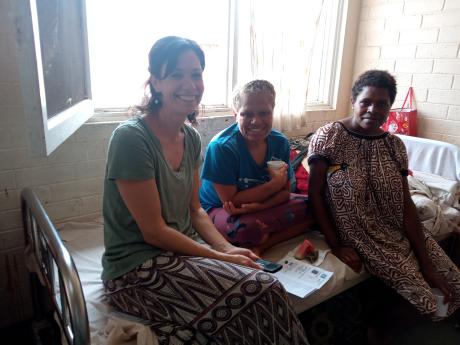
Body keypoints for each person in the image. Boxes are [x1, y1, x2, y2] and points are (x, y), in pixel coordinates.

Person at [101, 36, 309, 345]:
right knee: (261, 289)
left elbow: (195, 210)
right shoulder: (132, 139)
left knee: (262, 283)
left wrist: (227, 249)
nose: (190, 84)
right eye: (176, 74)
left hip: (183, 249)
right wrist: (215, 255)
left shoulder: (191, 138)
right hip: (135, 267)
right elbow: (154, 232)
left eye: (196, 74)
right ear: (156, 81)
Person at [307, 69, 460, 343]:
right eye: (366, 101)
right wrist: (336, 245)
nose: (373, 109)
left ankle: (380, 322)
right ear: (354, 100)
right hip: (362, 236)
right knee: (427, 302)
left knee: (455, 284)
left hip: (396, 228)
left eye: (382, 104)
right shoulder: (329, 136)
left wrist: (425, 261)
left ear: (390, 107)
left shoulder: (394, 145)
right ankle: (375, 330)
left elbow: (405, 204)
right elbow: (315, 196)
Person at [199, 80, 311, 255]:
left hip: (258, 206)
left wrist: (259, 207)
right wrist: (272, 186)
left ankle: (263, 245)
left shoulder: (280, 142)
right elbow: (232, 201)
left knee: (317, 207)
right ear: (235, 113)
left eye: (264, 113)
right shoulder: (222, 147)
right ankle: (260, 233)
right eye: (247, 114)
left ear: (273, 111)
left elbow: (285, 192)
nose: (256, 121)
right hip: (219, 207)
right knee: (247, 229)